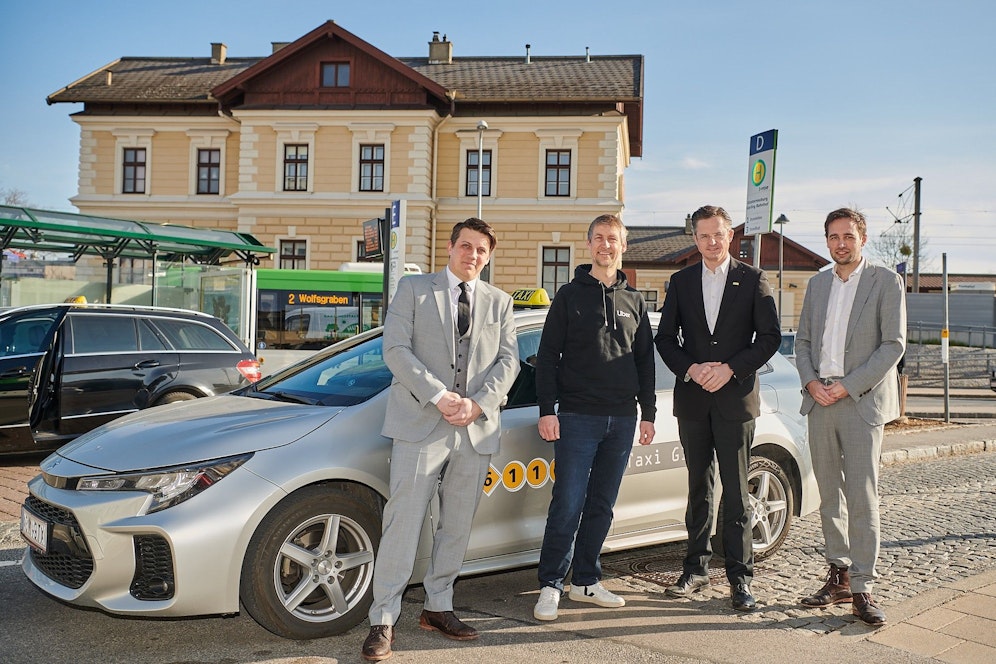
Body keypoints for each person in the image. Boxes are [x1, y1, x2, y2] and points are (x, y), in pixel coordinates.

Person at [361, 218, 519, 662]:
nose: (472, 255)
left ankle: (438, 607)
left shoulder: (499, 302)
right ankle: (383, 619)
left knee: (457, 524)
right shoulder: (414, 290)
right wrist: (439, 395)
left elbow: (509, 362)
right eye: (466, 246)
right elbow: (395, 349)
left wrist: (478, 404)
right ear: (450, 248)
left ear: (488, 257)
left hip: (475, 428)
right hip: (421, 422)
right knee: (403, 522)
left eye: (481, 251)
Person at [655, 205, 781, 612]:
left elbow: (770, 338)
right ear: (694, 238)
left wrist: (730, 369)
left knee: (738, 495)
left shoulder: (754, 279)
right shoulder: (681, 280)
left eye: (718, 234)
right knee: (697, 489)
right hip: (692, 401)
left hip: (735, 400)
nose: (711, 242)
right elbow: (665, 339)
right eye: (703, 235)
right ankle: (695, 568)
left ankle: (741, 579)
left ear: (731, 236)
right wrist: (691, 368)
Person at [532, 214, 657, 621]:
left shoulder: (635, 301)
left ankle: (586, 580)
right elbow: (547, 358)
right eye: (600, 239)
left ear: (623, 246)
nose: (607, 245)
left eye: (614, 239)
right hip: (576, 417)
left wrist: (648, 413)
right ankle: (551, 583)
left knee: (602, 504)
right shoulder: (568, 296)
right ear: (589, 246)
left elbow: (644, 363)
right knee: (567, 503)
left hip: (621, 419)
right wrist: (547, 411)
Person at [795, 208, 906, 627]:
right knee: (828, 495)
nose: (840, 243)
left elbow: (892, 345)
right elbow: (803, 342)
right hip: (819, 400)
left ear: (862, 238)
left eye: (848, 236)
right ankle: (838, 575)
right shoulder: (818, 282)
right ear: (826, 241)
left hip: (860, 401)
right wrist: (810, 383)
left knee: (862, 496)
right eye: (833, 236)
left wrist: (848, 384)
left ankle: (863, 587)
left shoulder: (885, 281)